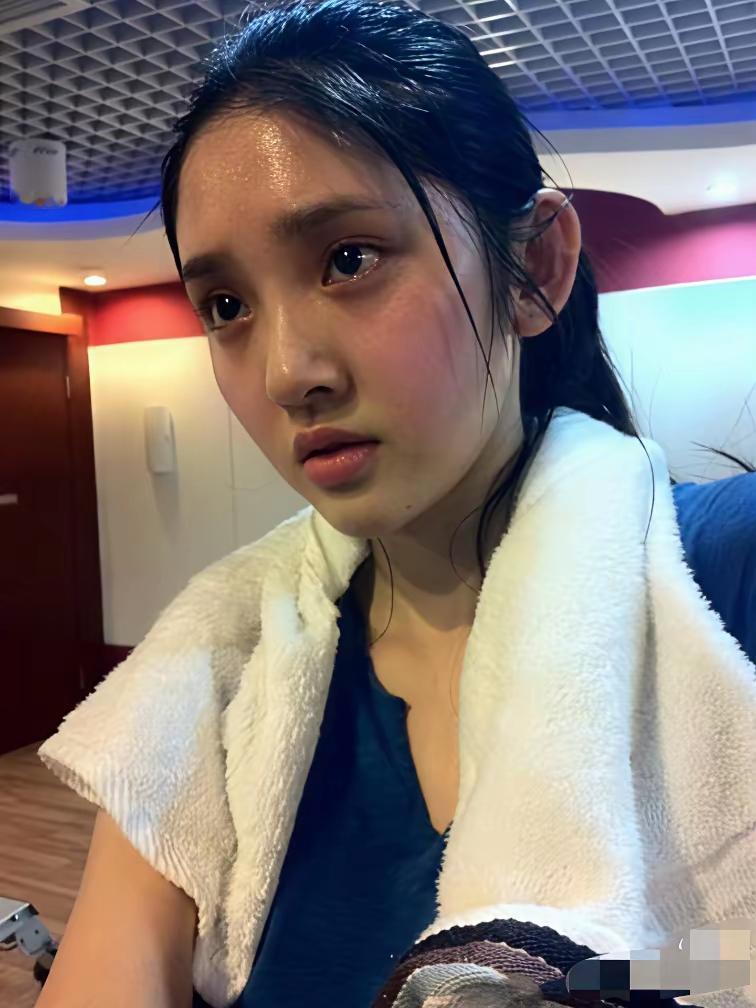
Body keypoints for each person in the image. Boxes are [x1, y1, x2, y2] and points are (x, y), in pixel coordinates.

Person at [35, 1, 756, 1007]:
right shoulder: (213, 670)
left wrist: (610, 975)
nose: (288, 372)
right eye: (227, 307)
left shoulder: (727, 575)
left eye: (349, 259)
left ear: (535, 268)